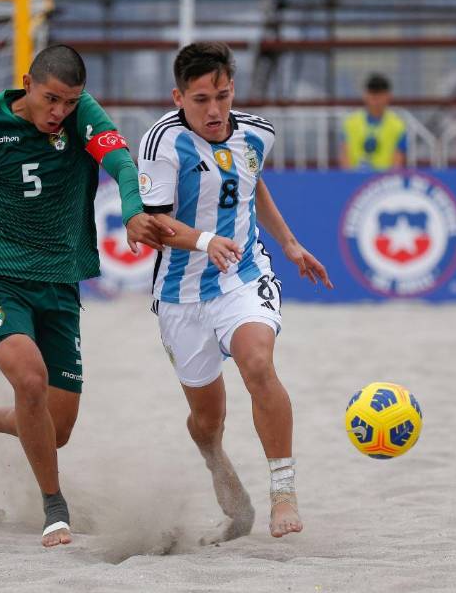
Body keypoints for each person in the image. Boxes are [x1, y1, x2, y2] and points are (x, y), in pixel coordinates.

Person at [0, 44, 172, 547]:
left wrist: (130, 212)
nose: (59, 112)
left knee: (56, 431)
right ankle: (54, 509)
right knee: (31, 379)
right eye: (51, 99)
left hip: (59, 283)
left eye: (69, 102)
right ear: (28, 84)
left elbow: (123, 164)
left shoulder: (83, 115)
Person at [136, 42, 333, 542]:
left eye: (222, 96)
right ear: (178, 97)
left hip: (243, 275)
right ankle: (216, 461)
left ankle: (283, 490)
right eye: (201, 99)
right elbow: (156, 223)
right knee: (207, 420)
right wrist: (204, 240)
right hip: (181, 294)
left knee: (259, 364)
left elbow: (251, 182)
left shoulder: (257, 132)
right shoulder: (160, 143)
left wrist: (289, 243)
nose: (214, 110)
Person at [339, 73, 407, 170]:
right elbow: (344, 155)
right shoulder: (351, 123)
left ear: (388, 96)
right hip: (354, 180)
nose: (376, 101)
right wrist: (349, 178)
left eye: (380, 96)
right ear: (365, 96)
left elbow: (398, 160)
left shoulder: (398, 126)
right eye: (373, 96)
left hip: (383, 182)